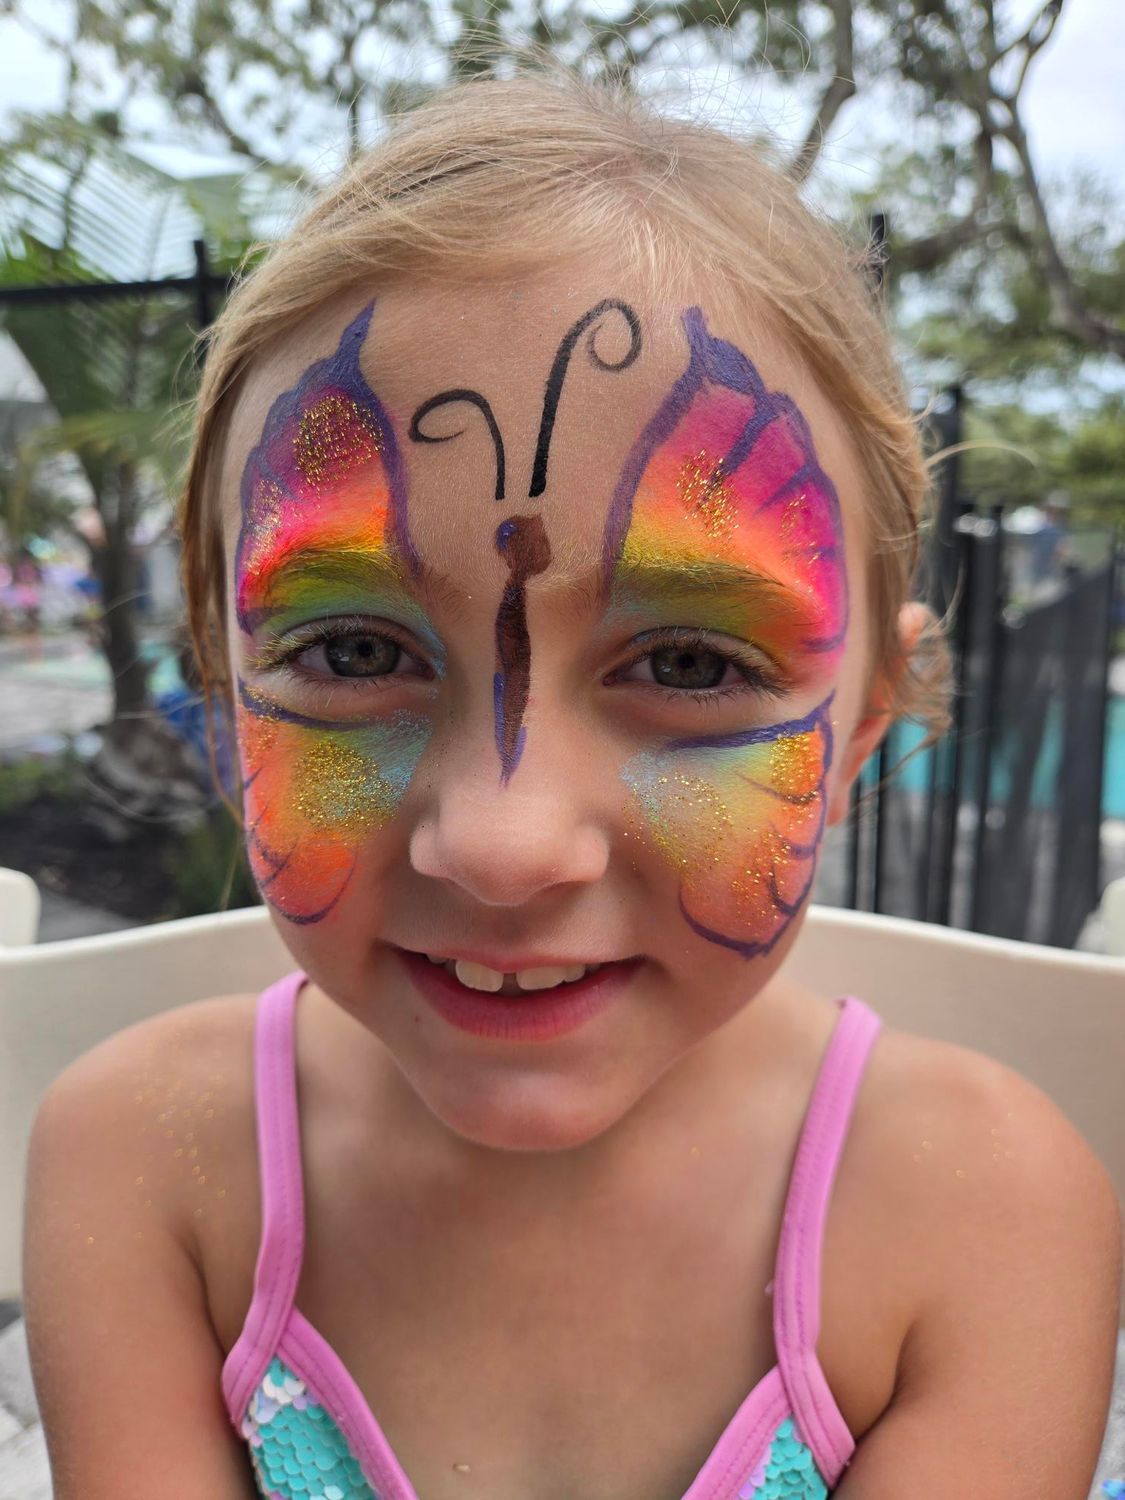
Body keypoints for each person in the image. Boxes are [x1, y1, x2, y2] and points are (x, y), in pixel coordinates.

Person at [21, 67, 1122, 1500]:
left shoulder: (985, 1211)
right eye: (352, 647)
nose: (502, 841)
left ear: (855, 736)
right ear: (227, 714)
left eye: (686, 666)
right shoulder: (142, 1168)